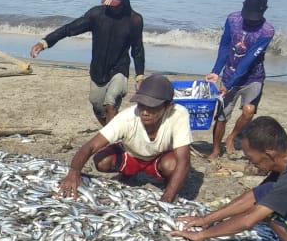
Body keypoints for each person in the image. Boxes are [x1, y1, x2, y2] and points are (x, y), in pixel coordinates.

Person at [58, 74, 192, 203]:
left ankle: (169, 186)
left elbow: (184, 160)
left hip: (159, 158)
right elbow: (90, 146)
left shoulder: (178, 115)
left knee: (172, 165)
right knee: (101, 161)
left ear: (168, 107)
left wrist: (167, 198)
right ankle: (129, 172)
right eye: (141, 104)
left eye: (152, 107)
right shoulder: (127, 118)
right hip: (132, 155)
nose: (145, 112)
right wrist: (74, 172)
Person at [29, 0, 145, 125]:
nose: (110, 8)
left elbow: (137, 49)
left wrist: (139, 76)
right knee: (97, 106)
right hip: (98, 69)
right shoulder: (96, 14)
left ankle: (112, 141)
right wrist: (45, 42)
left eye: (114, 5)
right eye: (108, 4)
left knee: (111, 101)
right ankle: (111, 133)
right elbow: (69, 29)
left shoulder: (134, 20)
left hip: (119, 68)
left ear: (124, 2)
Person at [205, 0, 275, 160]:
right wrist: (216, 70)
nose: (251, 19)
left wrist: (229, 85)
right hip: (229, 73)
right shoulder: (232, 19)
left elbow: (248, 60)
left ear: (264, 10)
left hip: (253, 77)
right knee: (222, 115)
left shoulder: (267, 31)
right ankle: (215, 149)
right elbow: (225, 45)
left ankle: (232, 137)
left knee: (249, 111)